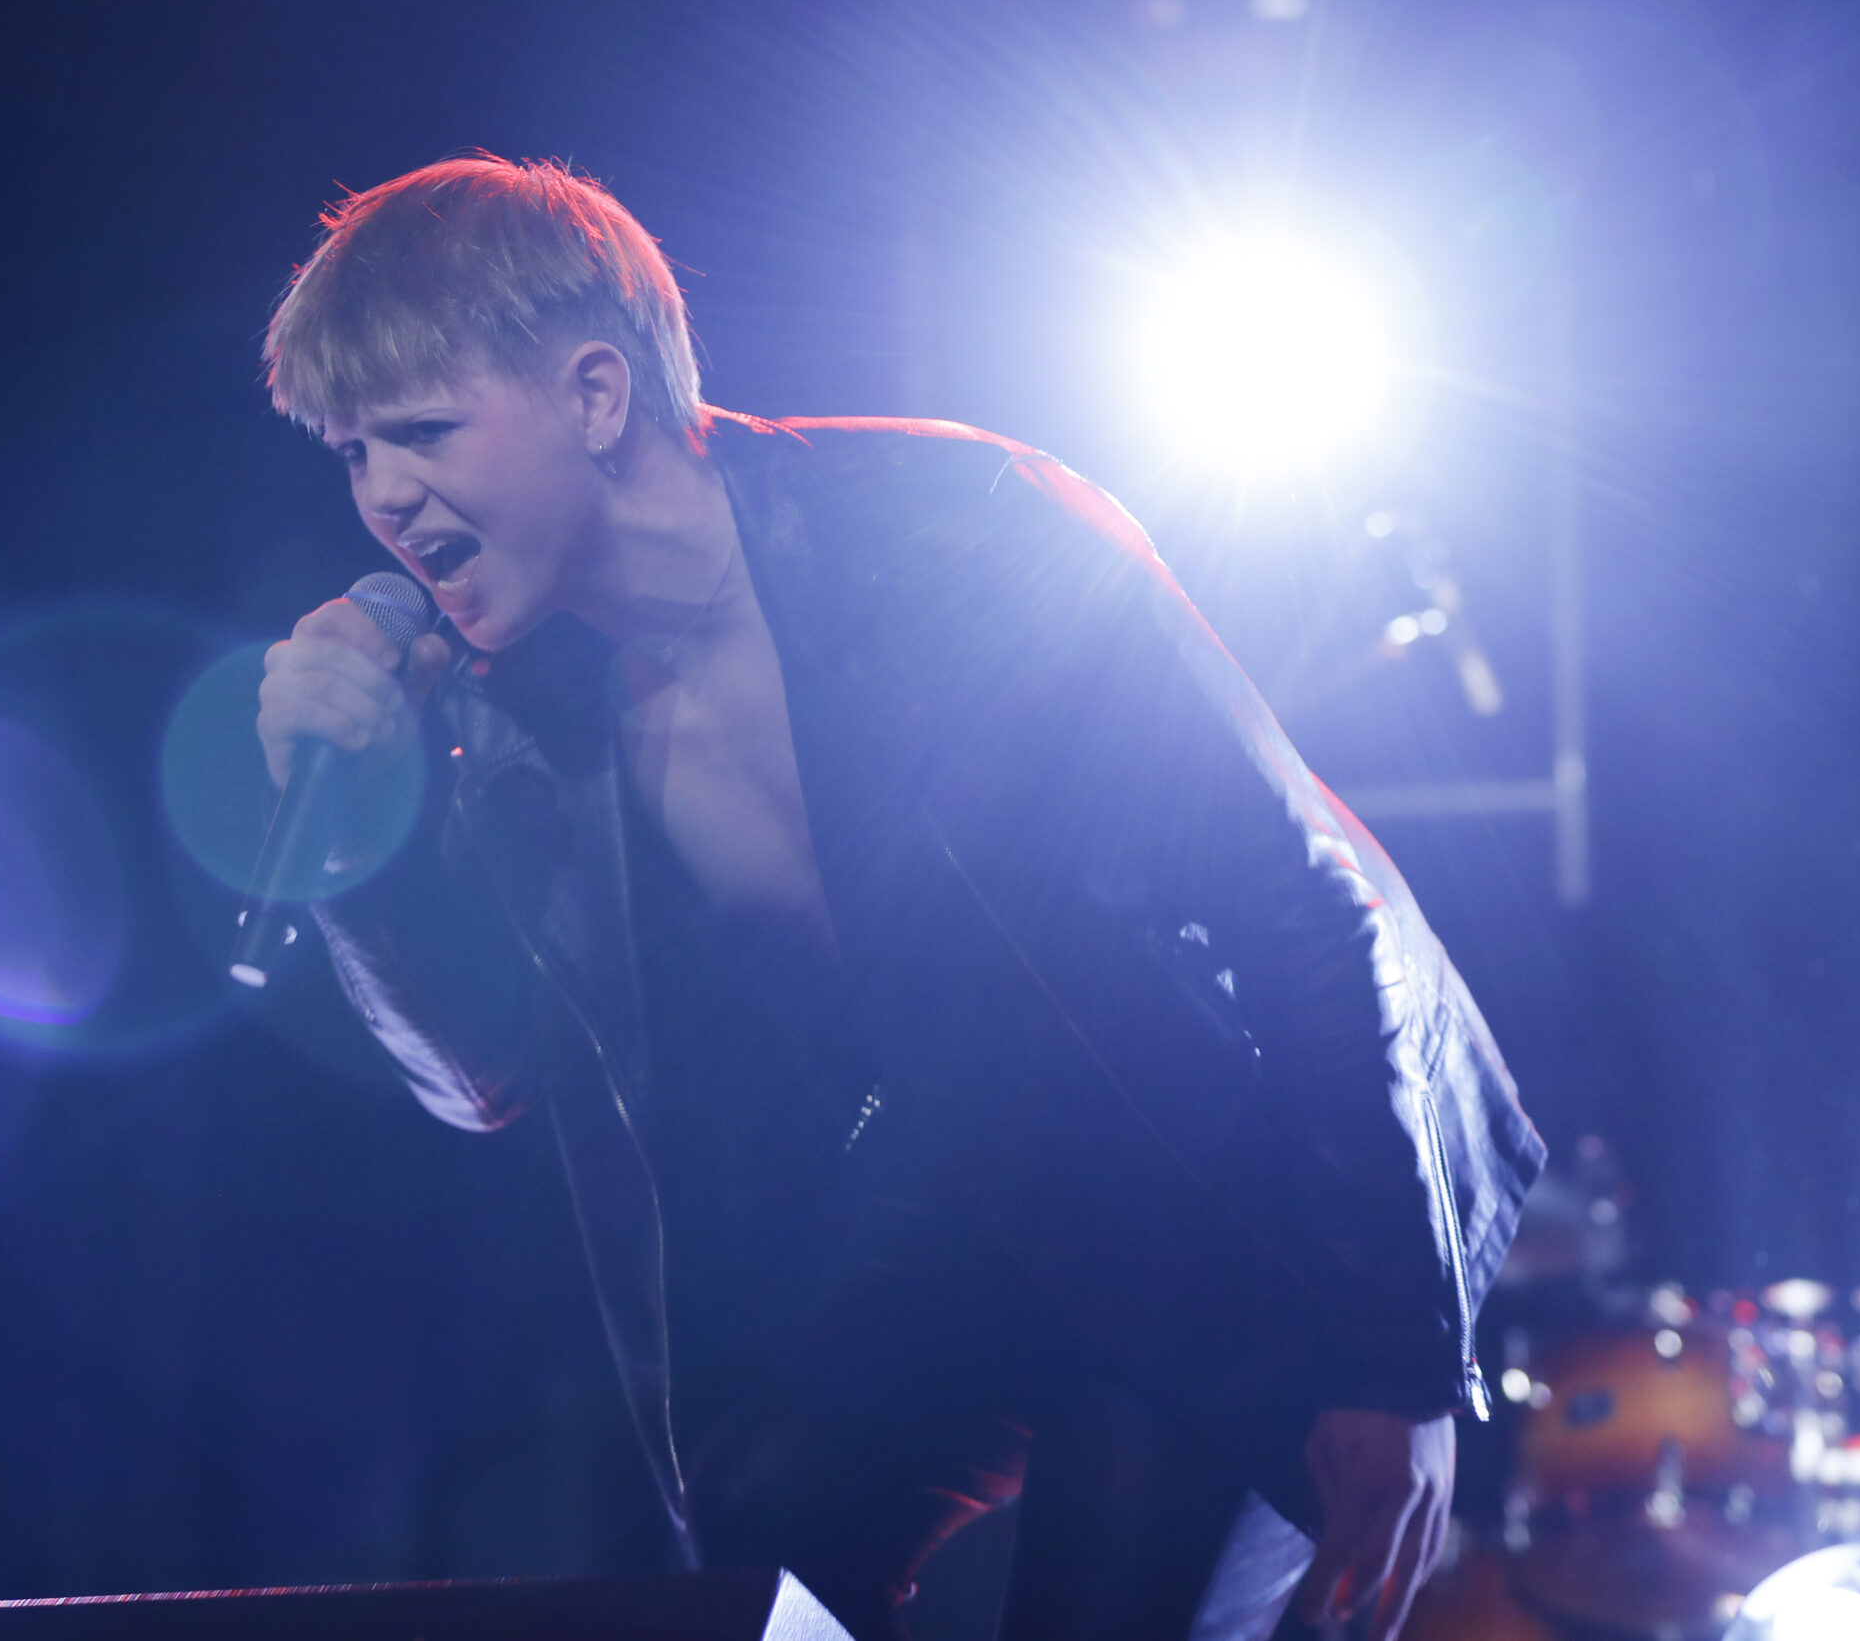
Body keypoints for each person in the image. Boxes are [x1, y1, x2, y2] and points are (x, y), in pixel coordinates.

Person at [250, 154, 1543, 1641]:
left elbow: (1305, 903)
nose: (384, 498)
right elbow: (482, 1083)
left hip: (1221, 1186)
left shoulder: (962, 530)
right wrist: (357, 834)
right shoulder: (519, 713)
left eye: (420, 432)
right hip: (960, 1201)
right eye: (352, 453)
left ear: (596, 394)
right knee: (760, 1550)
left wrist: (1388, 1363)